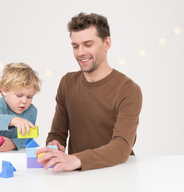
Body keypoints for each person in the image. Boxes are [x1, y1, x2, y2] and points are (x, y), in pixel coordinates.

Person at [35, 12, 142, 172]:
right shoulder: (67, 83)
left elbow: (121, 147)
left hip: (118, 173)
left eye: (88, 44)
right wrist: (54, 143)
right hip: (78, 174)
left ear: (107, 43)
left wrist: (77, 159)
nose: (80, 53)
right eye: (75, 46)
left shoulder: (128, 90)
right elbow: (58, 132)